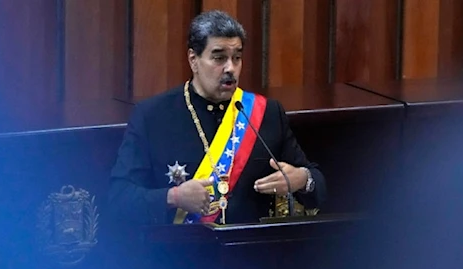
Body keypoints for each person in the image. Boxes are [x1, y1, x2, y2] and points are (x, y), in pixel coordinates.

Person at [109, 10, 326, 226]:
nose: (230, 68)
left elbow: (317, 183)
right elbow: (118, 198)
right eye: (219, 58)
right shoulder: (152, 116)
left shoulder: (266, 113)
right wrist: (173, 197)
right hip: (177, 254)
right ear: (193, 59)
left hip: (251, 253)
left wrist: (301, 180)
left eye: (237, 57)